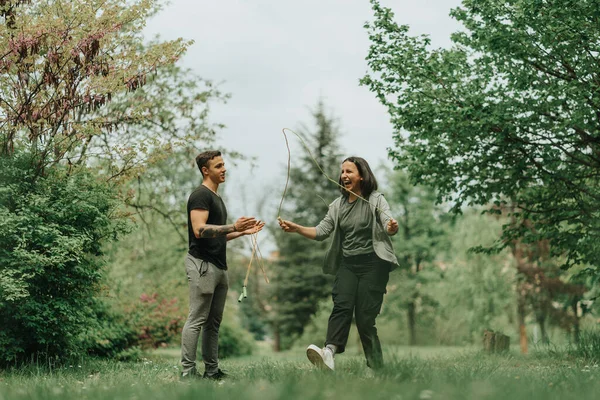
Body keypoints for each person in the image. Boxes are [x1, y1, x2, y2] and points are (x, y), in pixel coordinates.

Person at [278, 156, 399, 371]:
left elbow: (387, 223)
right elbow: (321, 232)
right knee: (341, 306)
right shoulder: (337, 205)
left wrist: (391, 228)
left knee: (364, 319)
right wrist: (297, 228)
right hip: (348, 264)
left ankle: (377, 368)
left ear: (361, 175)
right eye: (342, 171)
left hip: (373, 264)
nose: (344, 175)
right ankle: (329, 353)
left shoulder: (376, 199)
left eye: (349, 171)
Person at [181, 150, 264, 380]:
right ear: (205, 170)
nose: (224, 169)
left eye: (223, 165)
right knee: (197, 319)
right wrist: (233, 227)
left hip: (220, 267)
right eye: (218, 166)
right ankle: (188, 372)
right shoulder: (200, 195)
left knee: (213, 323)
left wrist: (243, 232)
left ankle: (212, 371)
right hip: (202, 266)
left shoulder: (217, 198)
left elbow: (217, 235)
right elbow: (199, 230)